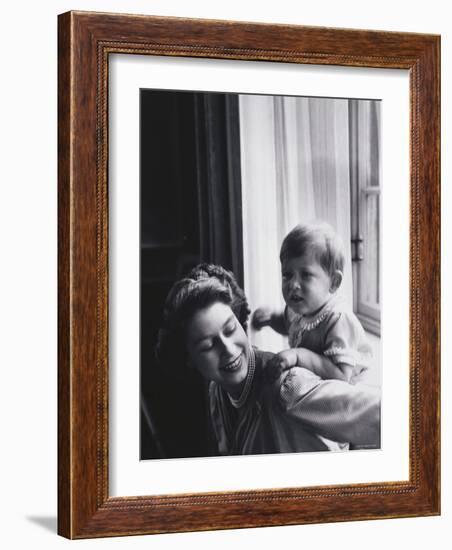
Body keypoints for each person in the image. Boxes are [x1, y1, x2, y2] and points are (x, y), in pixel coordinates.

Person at [156, 263, 380, 456]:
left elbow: (380, 413)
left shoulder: (288, 387)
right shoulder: (217, 393)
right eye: (208, 345)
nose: (227, 348)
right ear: (189, 359)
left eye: (231, 328)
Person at [252, 222, 373, 384]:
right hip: (314, 385)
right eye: (287, 275)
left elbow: (341, 376)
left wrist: (298, 356)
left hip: (344, 397)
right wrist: (271, 318)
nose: (293, 284)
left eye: (306, 275)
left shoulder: (338, 319)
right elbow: (287, 324)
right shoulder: (300, 307)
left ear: (333, 282)